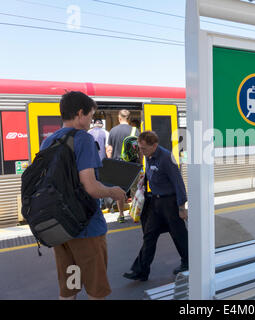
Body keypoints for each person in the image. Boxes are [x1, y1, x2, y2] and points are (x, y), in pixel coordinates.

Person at [40, 91, 127, 300]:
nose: (91, 121)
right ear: (80, 113)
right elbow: (90, 187)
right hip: (86, 229)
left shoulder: (49, 141)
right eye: (90, 116)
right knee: (96, 289)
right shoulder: (83, 139)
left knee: (70, 286)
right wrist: (113, 192)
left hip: (60, 229)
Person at [123, 131, 188, 281]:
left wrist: (181, 207)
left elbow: (178, 183)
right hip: (155, 203)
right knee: (149, 235)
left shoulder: (166, 158)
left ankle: (188, 262)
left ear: (155, 145)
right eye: (140, 148)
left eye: (144, 148)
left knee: (179, 235)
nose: (141, 151)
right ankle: (141, 270)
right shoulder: (148, 156)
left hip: (170, 203)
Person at [106, 109, 140, 223]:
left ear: (119, 118)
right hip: (133, 165)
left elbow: (109, 150)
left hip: (118, 165)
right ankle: (135, 213)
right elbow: (139, 150)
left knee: (120, 191)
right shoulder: (135, 131)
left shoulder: (113, 131)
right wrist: (140, 164)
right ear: (129, 119)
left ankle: (121, 215)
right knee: (135, 190)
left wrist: (110, 163)